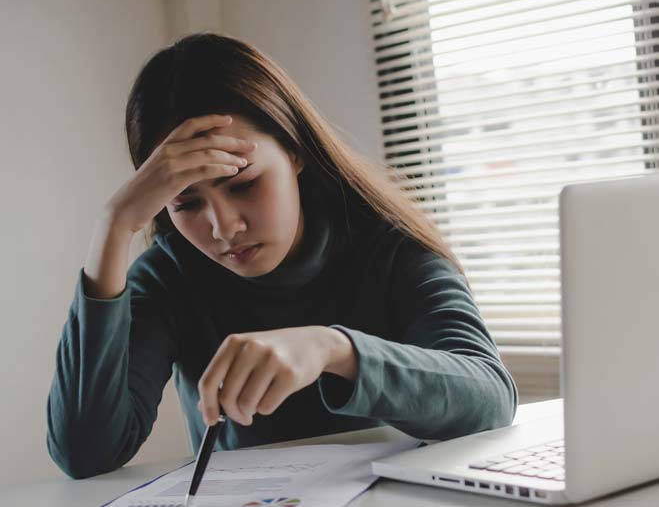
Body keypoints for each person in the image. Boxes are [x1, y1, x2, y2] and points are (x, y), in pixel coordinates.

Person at [46, 33, 518, 480]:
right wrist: (113, 227)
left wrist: (333, 349)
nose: (223, 227)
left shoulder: (387, 243)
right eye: (186, 203)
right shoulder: (170, 275)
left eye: (244, 183)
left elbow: (490, 399)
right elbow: (85, 455)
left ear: (295, 151)